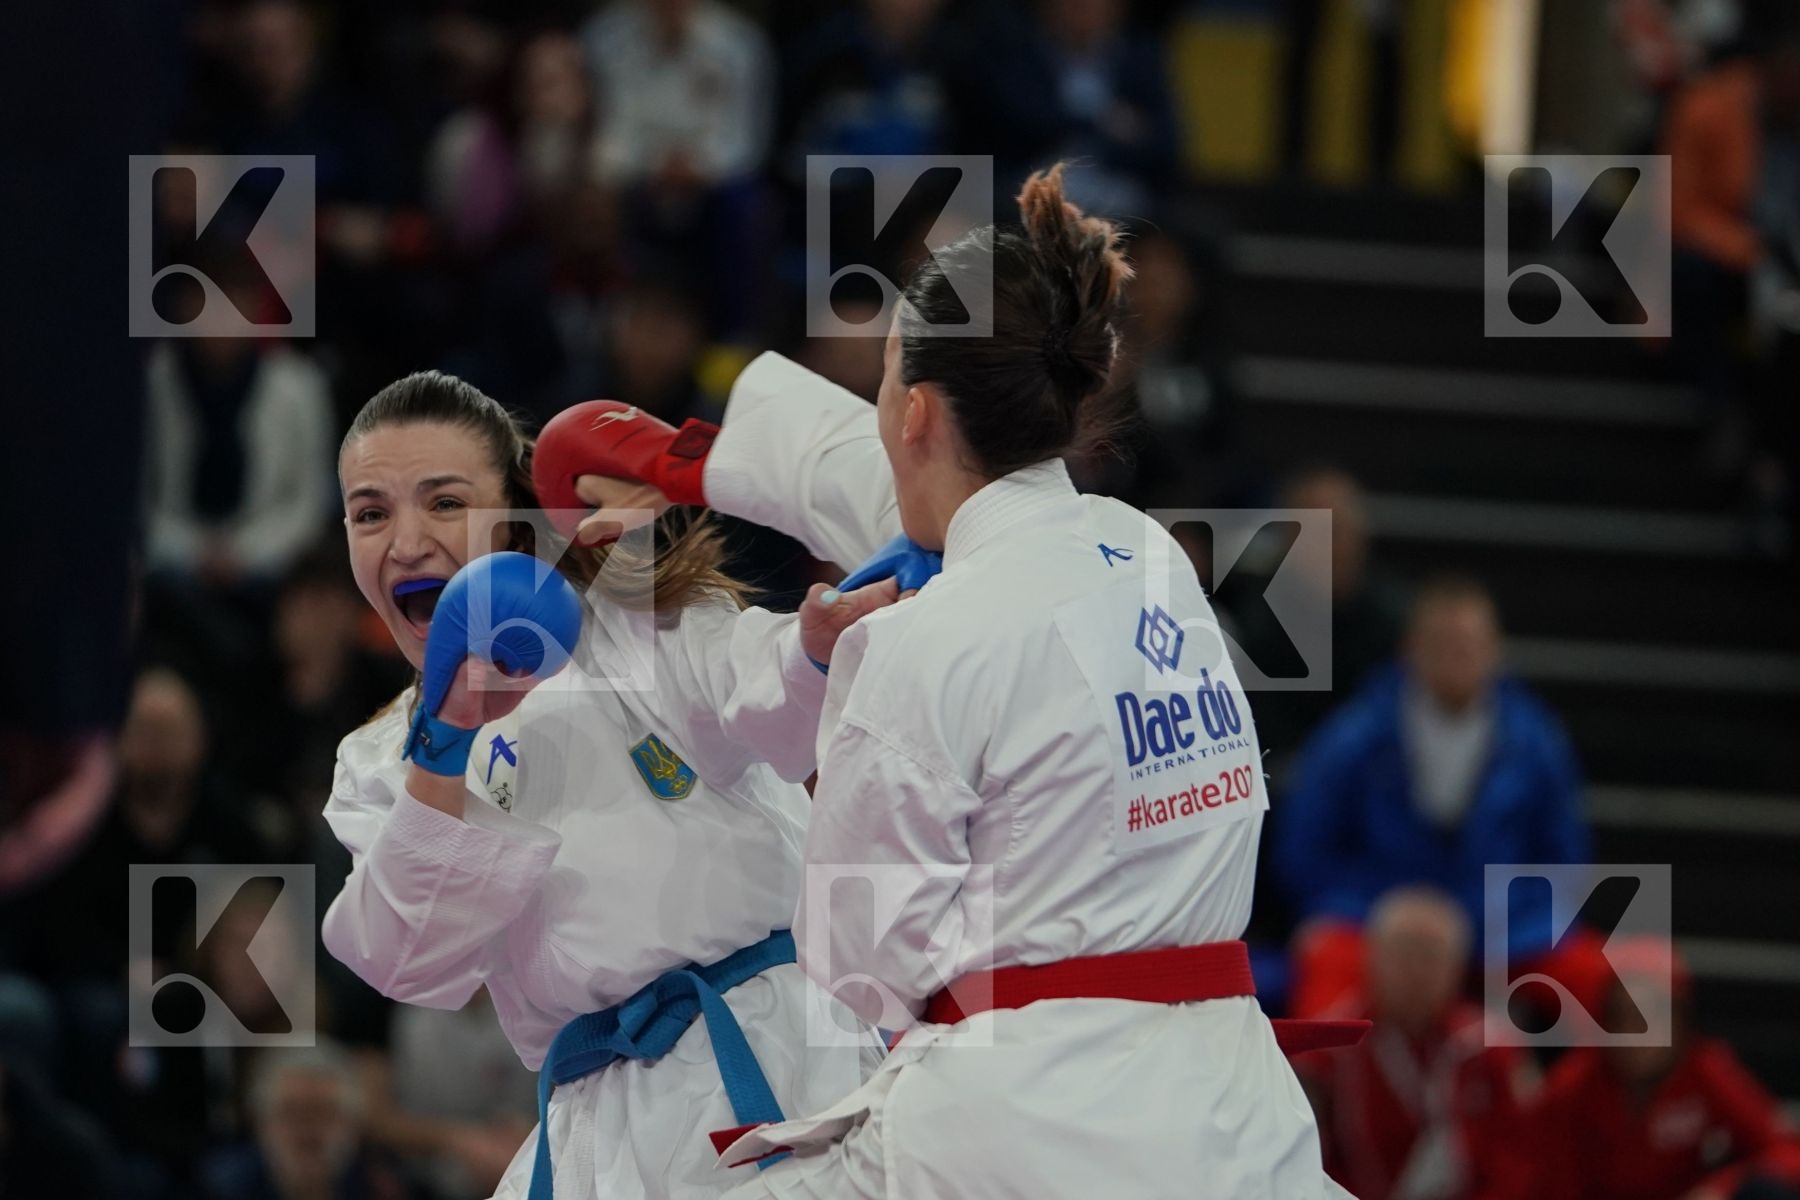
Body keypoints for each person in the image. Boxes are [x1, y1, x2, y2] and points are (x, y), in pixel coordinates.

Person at [571, 163, 1353, 1198]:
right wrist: (701, 460)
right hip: (1236, 1114)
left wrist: (841, 718)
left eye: (886, 378)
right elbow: (934, 492)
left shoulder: (918, 642)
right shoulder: (1150, 556)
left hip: (1019, 1128)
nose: (878, 405)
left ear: (916, 411)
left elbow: (860, 965)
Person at [320, 371, 890, 1200]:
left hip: (775, 1056)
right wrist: (443, 746)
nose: (405, 542)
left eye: (444, 503)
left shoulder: (632, 624)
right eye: (371, 513)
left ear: (516, 516)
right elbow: (406, 958)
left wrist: (811, 651)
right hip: (595, 1109)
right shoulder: (381, 759)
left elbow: (770, 699)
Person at [1276, 575, 1594, 1020]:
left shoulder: (1536, 741)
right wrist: (1391, 913)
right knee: (1324, 969)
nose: (1456, 658)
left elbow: (1566, 863)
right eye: (1442, 644)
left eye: (1469, 645)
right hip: (1376, 924)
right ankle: (1324, 1070)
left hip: (1500, 935)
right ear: (1409, 649)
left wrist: (1486, 917)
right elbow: (1305, 853)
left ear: (1496, 651)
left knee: (1608, 982)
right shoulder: (1353, 737)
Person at [1296, 887, 1536, 1200]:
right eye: (1404, 954)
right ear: (1371, 958)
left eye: (1431, 956)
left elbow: (1521, 1156)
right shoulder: (1328, 1047)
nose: (1416, 971)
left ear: (1457, 967)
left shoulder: (1490, 1048)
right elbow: (1304, 1162)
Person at [1522, 939, 1800, 1200]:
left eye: (1653, 1015)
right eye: (1623, 1017)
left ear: (1680, 1021)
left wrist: (1720, 1189)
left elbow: (1784, 1151)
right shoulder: (1571, 1086)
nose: (1636, 1034)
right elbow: (1545, 1182)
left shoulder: (1708, 1071)